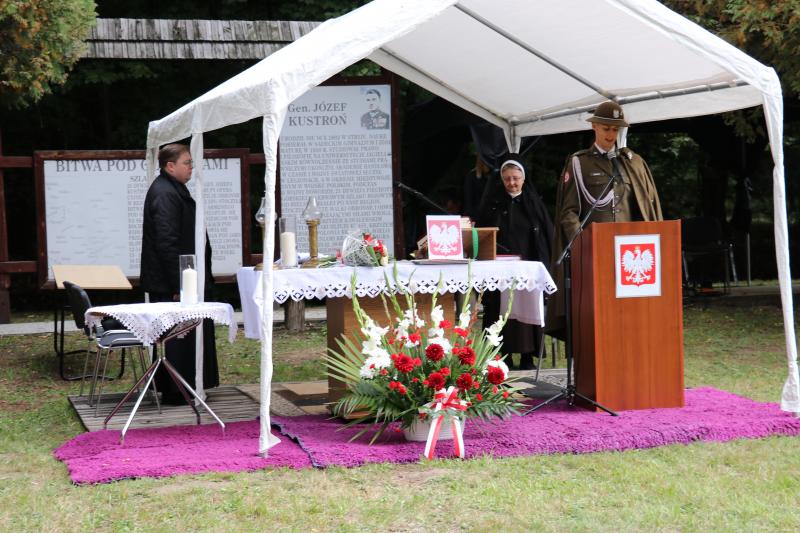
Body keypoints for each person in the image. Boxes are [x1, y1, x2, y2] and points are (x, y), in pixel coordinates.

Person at [545, 100, 663, 339]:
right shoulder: (579, 163)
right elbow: (568, 212)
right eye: (606, 128)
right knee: (599, 316)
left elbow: (645, 209)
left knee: (628, 315)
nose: (611, 134)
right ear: (595, 127)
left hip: (630, 257)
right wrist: (583, 243)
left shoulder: (632, 162)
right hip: (595, 253)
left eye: (615, 129)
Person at [140, 143, 219, 404]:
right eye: (187, 163)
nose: (191, 167)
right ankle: (177, 390)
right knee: (178, 337)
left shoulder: (172, 189)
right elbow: (167, 241)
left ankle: (189, 385)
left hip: (182, 278)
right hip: (173, 283)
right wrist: (179, 285)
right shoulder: (164, 193)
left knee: (187, 335)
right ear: (170, 166)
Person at [477, 158, 553, 370]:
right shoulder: (492, 204)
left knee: (527, 309)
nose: (512, 183)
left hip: (528, 266)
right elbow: (482, 235)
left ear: (523, 179)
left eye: (516, 178)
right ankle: (504, 356)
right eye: (507, 179)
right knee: (500, 311)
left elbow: (545, 236)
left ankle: (528, 356)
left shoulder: (534, 204)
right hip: (499, 268)